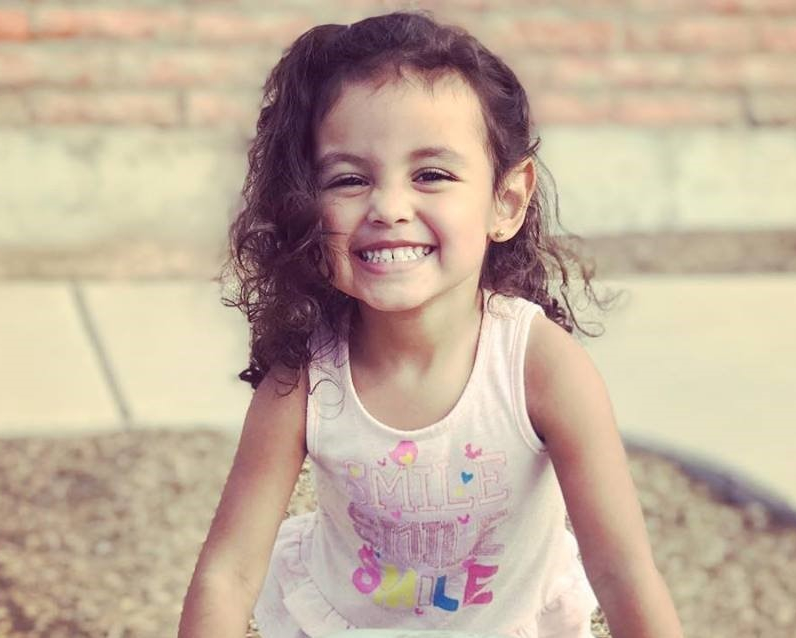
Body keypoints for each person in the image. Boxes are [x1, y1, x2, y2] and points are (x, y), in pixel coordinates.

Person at [179, 10, 684, 638]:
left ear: (506, 201)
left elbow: (623, 572)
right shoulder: (307, 376)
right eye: (349, 179)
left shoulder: (540, 367)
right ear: (303, 207)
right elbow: (227, 574)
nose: (389, 208)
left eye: (432, 175)